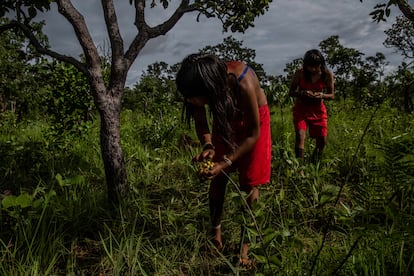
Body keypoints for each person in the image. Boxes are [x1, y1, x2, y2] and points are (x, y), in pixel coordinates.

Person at [176, 53, 272, 267]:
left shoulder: (243, 82)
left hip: (254, 125)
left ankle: (244, 250)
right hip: (225, 118)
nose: (190, 101)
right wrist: (209, 145)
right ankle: (215, 237)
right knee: (218, 180)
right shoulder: (200, 82)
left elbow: (252, 135)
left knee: (249, 183)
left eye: (193, 97)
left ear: (209, 89)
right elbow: (200, 119)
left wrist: (225, 162)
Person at [288, 49, 334, 166]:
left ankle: (314, 163)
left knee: (322, 140)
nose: (313, 69)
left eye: (316, 66)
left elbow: (331, 95)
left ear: (321, 64)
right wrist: (302, 93)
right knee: (300, 136)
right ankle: (300, 169)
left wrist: (321, 95)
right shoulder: (300, 73)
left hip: (318, 110)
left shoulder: (326, 75)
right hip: (301, 109)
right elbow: (291, 92)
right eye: (310, 67)